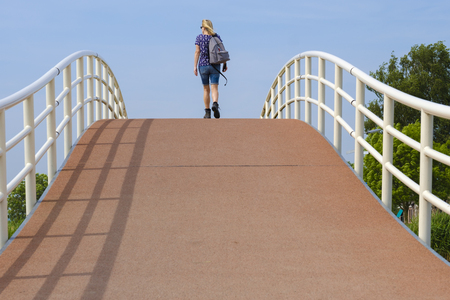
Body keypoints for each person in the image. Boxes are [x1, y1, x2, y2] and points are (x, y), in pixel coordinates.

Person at [194, 19, 228, 119]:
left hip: (203, 65)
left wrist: (195, 66)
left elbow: (197, 52)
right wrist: (225, 64)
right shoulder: (216, 36)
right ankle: (215, 104)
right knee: (214, 88)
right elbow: (222, 50)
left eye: (201, 27)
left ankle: (207, 112)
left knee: (206, 89)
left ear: (204, 27)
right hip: (215, 65)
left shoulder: (199, 38)